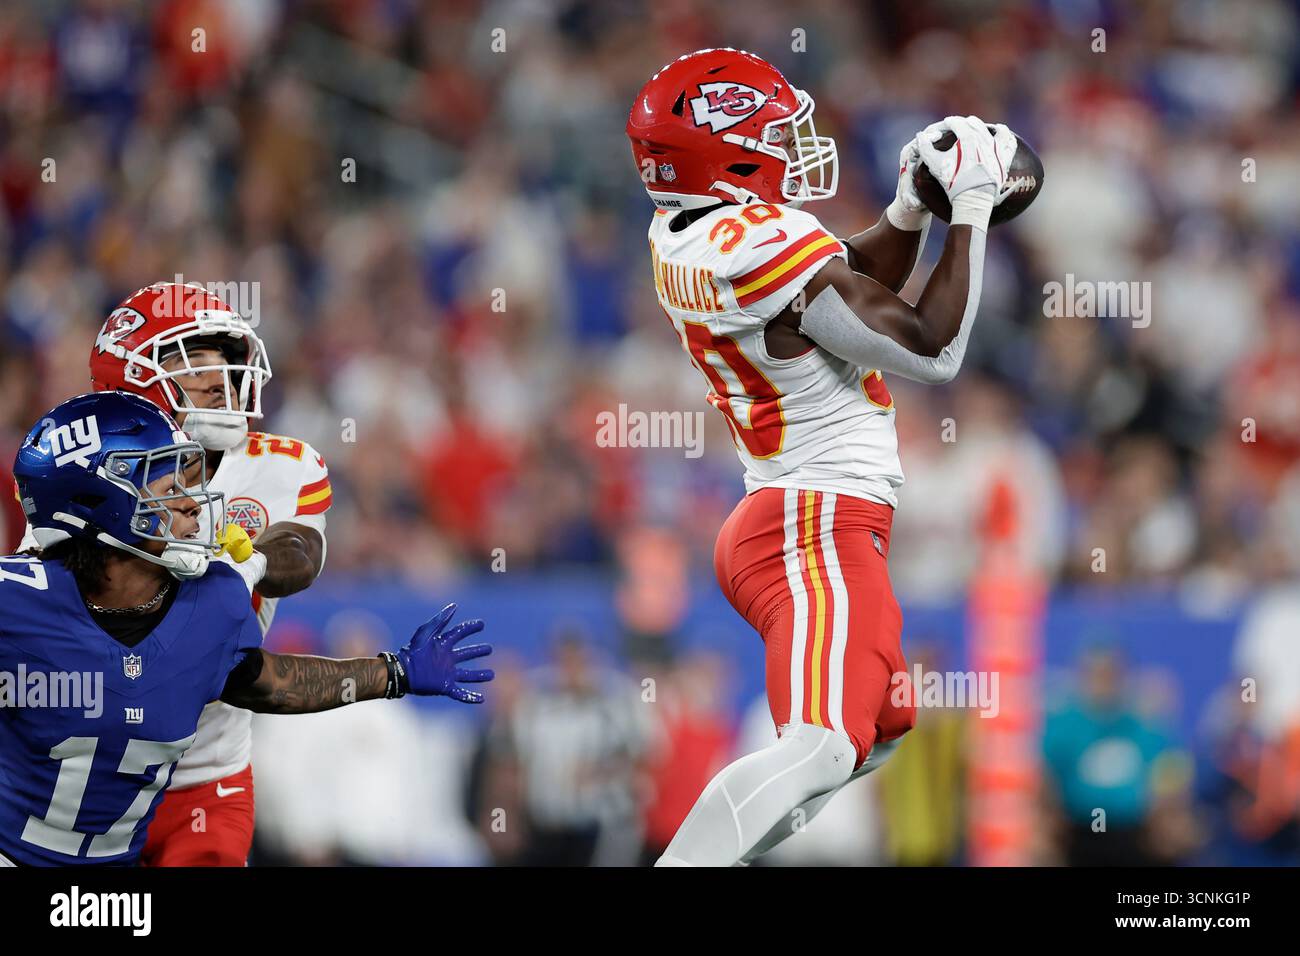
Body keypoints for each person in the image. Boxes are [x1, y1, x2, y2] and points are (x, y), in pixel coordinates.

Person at [626, 48, 1015, 866]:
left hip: (789, 516)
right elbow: (932, 347)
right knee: (823, 745)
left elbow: (835, 288)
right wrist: (972, 206)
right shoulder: (757, 245)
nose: (791, 148)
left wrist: (911, 210)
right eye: (773, 134)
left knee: (875, 734)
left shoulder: (686, 232)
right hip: (813, 520)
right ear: (725, 154)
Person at [0, 391, 492, 867]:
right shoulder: (17, 602)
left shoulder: (209, 602)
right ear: (96, 502)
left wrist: (396, 673)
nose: (194, 504)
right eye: (169, 488)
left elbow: (270, 684)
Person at [24, 281, 333, 866]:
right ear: (132, 378)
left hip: (204, 776)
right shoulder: (84, 463)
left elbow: (303, 548)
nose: (219, 378)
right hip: (86, 771)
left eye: (225, 360)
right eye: (193, 361)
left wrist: (249, 566)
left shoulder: (278, 467)